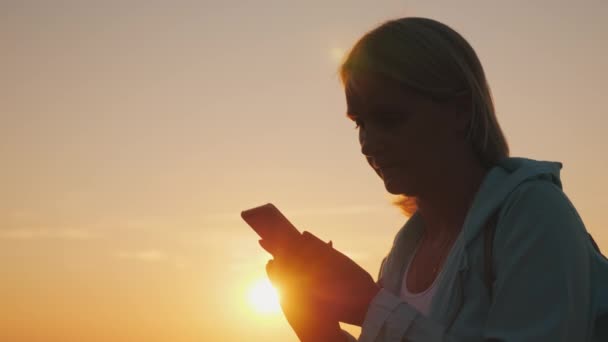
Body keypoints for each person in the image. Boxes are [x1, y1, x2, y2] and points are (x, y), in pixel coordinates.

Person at [260, 17, 608, 342]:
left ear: (461, 111)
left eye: (390, 118)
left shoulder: (533, 213)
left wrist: (368, 304)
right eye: (360, 123)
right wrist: (317, 327)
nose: (368, 143)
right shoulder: (405, 250)